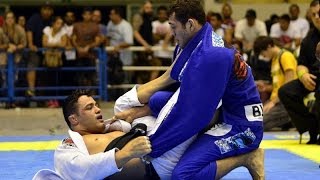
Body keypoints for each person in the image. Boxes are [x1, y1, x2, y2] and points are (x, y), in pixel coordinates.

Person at [118, 1, 264, 179]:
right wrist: (137, 109)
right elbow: (177, 86)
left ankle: (247, 157)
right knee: (156, 100)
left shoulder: (211, 56)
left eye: (173, 27)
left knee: (183, 175)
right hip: (219, 111)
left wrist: (153, 146)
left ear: (190, 24)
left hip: (241, 127)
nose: (171, 33)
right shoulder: (193, 42)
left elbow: (194, 115)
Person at [53, 89, 152, 179]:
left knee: (158, 98)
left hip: (150, 137)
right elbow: (80, 168)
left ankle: (166, 79)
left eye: (96, 105)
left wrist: (142, 110)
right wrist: (124, 154)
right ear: (74, 119)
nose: (98, 110)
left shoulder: (115, 125)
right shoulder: (70, 145)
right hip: (151, 164)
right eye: (89, 108)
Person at [278, 0, 320, 145]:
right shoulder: (309, 39)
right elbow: (301, 64)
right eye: (313, 14)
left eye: (319, 13)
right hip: (313, 77)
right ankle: (312, 126)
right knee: (285, 91)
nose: (316, 17)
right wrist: (303, 76)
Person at [254, 36, 297, 131]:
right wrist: (265, 88)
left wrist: (273, 102)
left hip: (284, 102)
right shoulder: (274, 60)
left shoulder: (286, 56)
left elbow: (288, 85)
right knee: (254, 118)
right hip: (276, 100)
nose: (264, 56)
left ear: (269, 46)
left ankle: (290, 118)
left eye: (263, 52)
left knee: (257, 124)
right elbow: (277, 85)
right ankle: (287, 120)